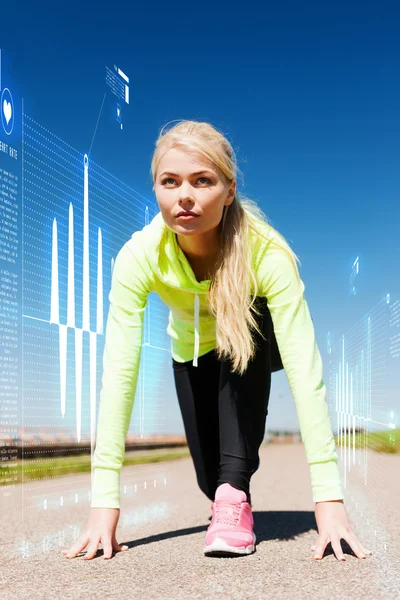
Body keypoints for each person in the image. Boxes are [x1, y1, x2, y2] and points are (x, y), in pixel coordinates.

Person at [63, 120, 372, 562]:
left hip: (252, 341)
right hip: (190, 353)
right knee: (211, 477)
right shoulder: (138, 256)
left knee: (231, 477)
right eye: (169, 182)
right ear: (155, 189)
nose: (183, 195)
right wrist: (102, 506)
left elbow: (306, 372)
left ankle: (232, 495)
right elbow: (119, 375)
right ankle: (226, 492)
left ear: (229, 190)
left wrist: (328, 500)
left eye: (201, 180)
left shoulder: (267, 252)